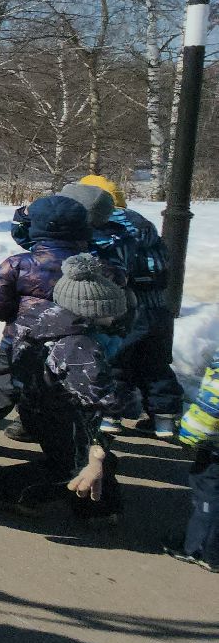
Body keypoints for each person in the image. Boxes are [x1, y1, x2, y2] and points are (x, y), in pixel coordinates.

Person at [0, 255, 126, 524]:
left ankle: (100, 507)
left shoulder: (40, 321)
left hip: (40, 406)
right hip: (67, 416)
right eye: (111, 311)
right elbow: (98, 398)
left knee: (81, 460)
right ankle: (8, 489)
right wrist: (111, 415)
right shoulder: (80, 347)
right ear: (93, 311)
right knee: (78, 464)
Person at [0, 195, 101, 452]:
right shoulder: (96, 266)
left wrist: (13, 317)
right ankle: (61, 452)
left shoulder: (20, 264)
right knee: (60, 400)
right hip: (74, 347)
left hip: (20, 341)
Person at [74, 176, 179, 439]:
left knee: (118, 362)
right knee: (156, 365)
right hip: (158, 308)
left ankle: (111, 416)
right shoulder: (144, 225)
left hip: (128, 307)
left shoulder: (108, 229)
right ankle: (164, 420)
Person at [168, 355, 219, 572]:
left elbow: (212, 406)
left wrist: (190, 433)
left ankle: (199, 548)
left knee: (208, 491)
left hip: (214, 444)